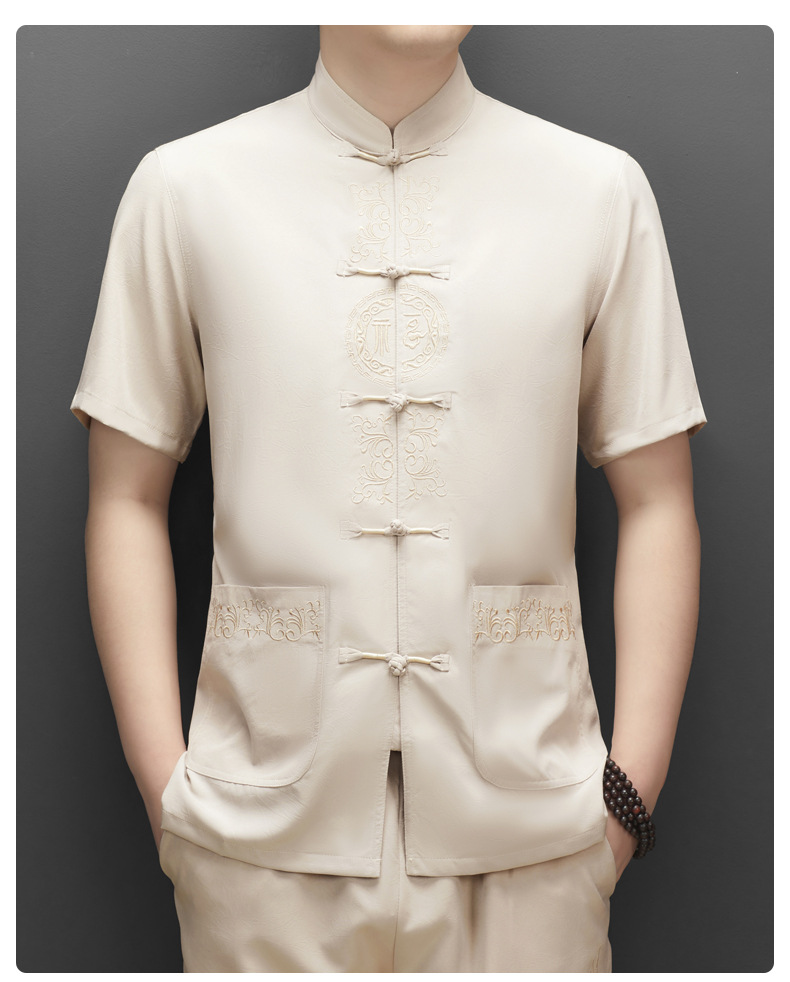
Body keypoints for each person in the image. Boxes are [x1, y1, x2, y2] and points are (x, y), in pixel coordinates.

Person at [70, 25, 707, 973]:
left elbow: (657, 501)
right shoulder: (185, 188)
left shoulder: (597, 191)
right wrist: (171, 802)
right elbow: (125, 494)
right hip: (256, 840)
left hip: (538, 837)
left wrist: (626, 800)